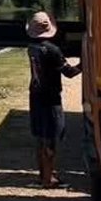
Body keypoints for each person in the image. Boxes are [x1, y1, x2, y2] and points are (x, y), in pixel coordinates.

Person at [26, 11, 81, 188]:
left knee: (39, 136)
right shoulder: (53, 50)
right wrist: (84, 62)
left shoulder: (31, 47)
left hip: (35, 96)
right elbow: (69, 73)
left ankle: (43, 174)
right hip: (50, 98)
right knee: (52, 137)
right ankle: (48, 179)